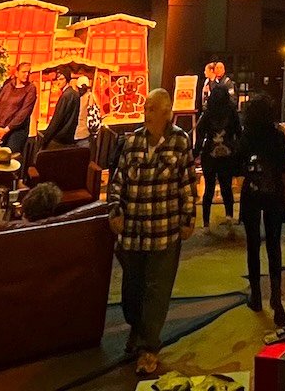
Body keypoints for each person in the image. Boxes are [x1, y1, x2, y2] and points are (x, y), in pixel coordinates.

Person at [107, 88, 197, 378]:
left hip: (163, 229)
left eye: (151, 108)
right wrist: (115, 210)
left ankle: (149, 347)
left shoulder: (180, 142)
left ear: (166, 113)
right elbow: (119, 179)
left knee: (157, 290)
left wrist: (188, 218)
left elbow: (187, 182)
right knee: (132, 290)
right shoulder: (132, 141)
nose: (146, 113)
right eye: (145, 108)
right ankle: (136, 328)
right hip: (133, 230)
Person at [235, 94, 285, 323]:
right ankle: (276, 297)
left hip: (252, 192)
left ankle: (256, 295)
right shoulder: (277, 135)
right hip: (274, 192)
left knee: (252, 244)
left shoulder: (247, 135)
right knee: (274, 244)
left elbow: (238, 164)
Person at [194, 83, 241, 228]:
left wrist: (195, 153)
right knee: (226, 187)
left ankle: (206, 223)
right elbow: (238, 132)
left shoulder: (207, 114)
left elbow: (200, 135)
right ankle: (229, 217)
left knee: (209, 188)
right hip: (227, 154)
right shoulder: (232, 112)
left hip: (210, 153)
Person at [0, 62, 36, 158]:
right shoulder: (8, 87)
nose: (27, 75)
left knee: (10, 160)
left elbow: (24, 113)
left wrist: (6, 130)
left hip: (16, 132)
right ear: (17, 73)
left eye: (29, 72)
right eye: (24, 72)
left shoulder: (30, 89)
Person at [40, 70, 81, 150]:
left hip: (59, 138)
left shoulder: (66, 96)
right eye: (57, 79)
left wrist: (46, 138)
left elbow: (57, 118)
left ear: (67, 80)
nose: (58, 82)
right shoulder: (75, 94)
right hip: (69, 137)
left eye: (61, 79)